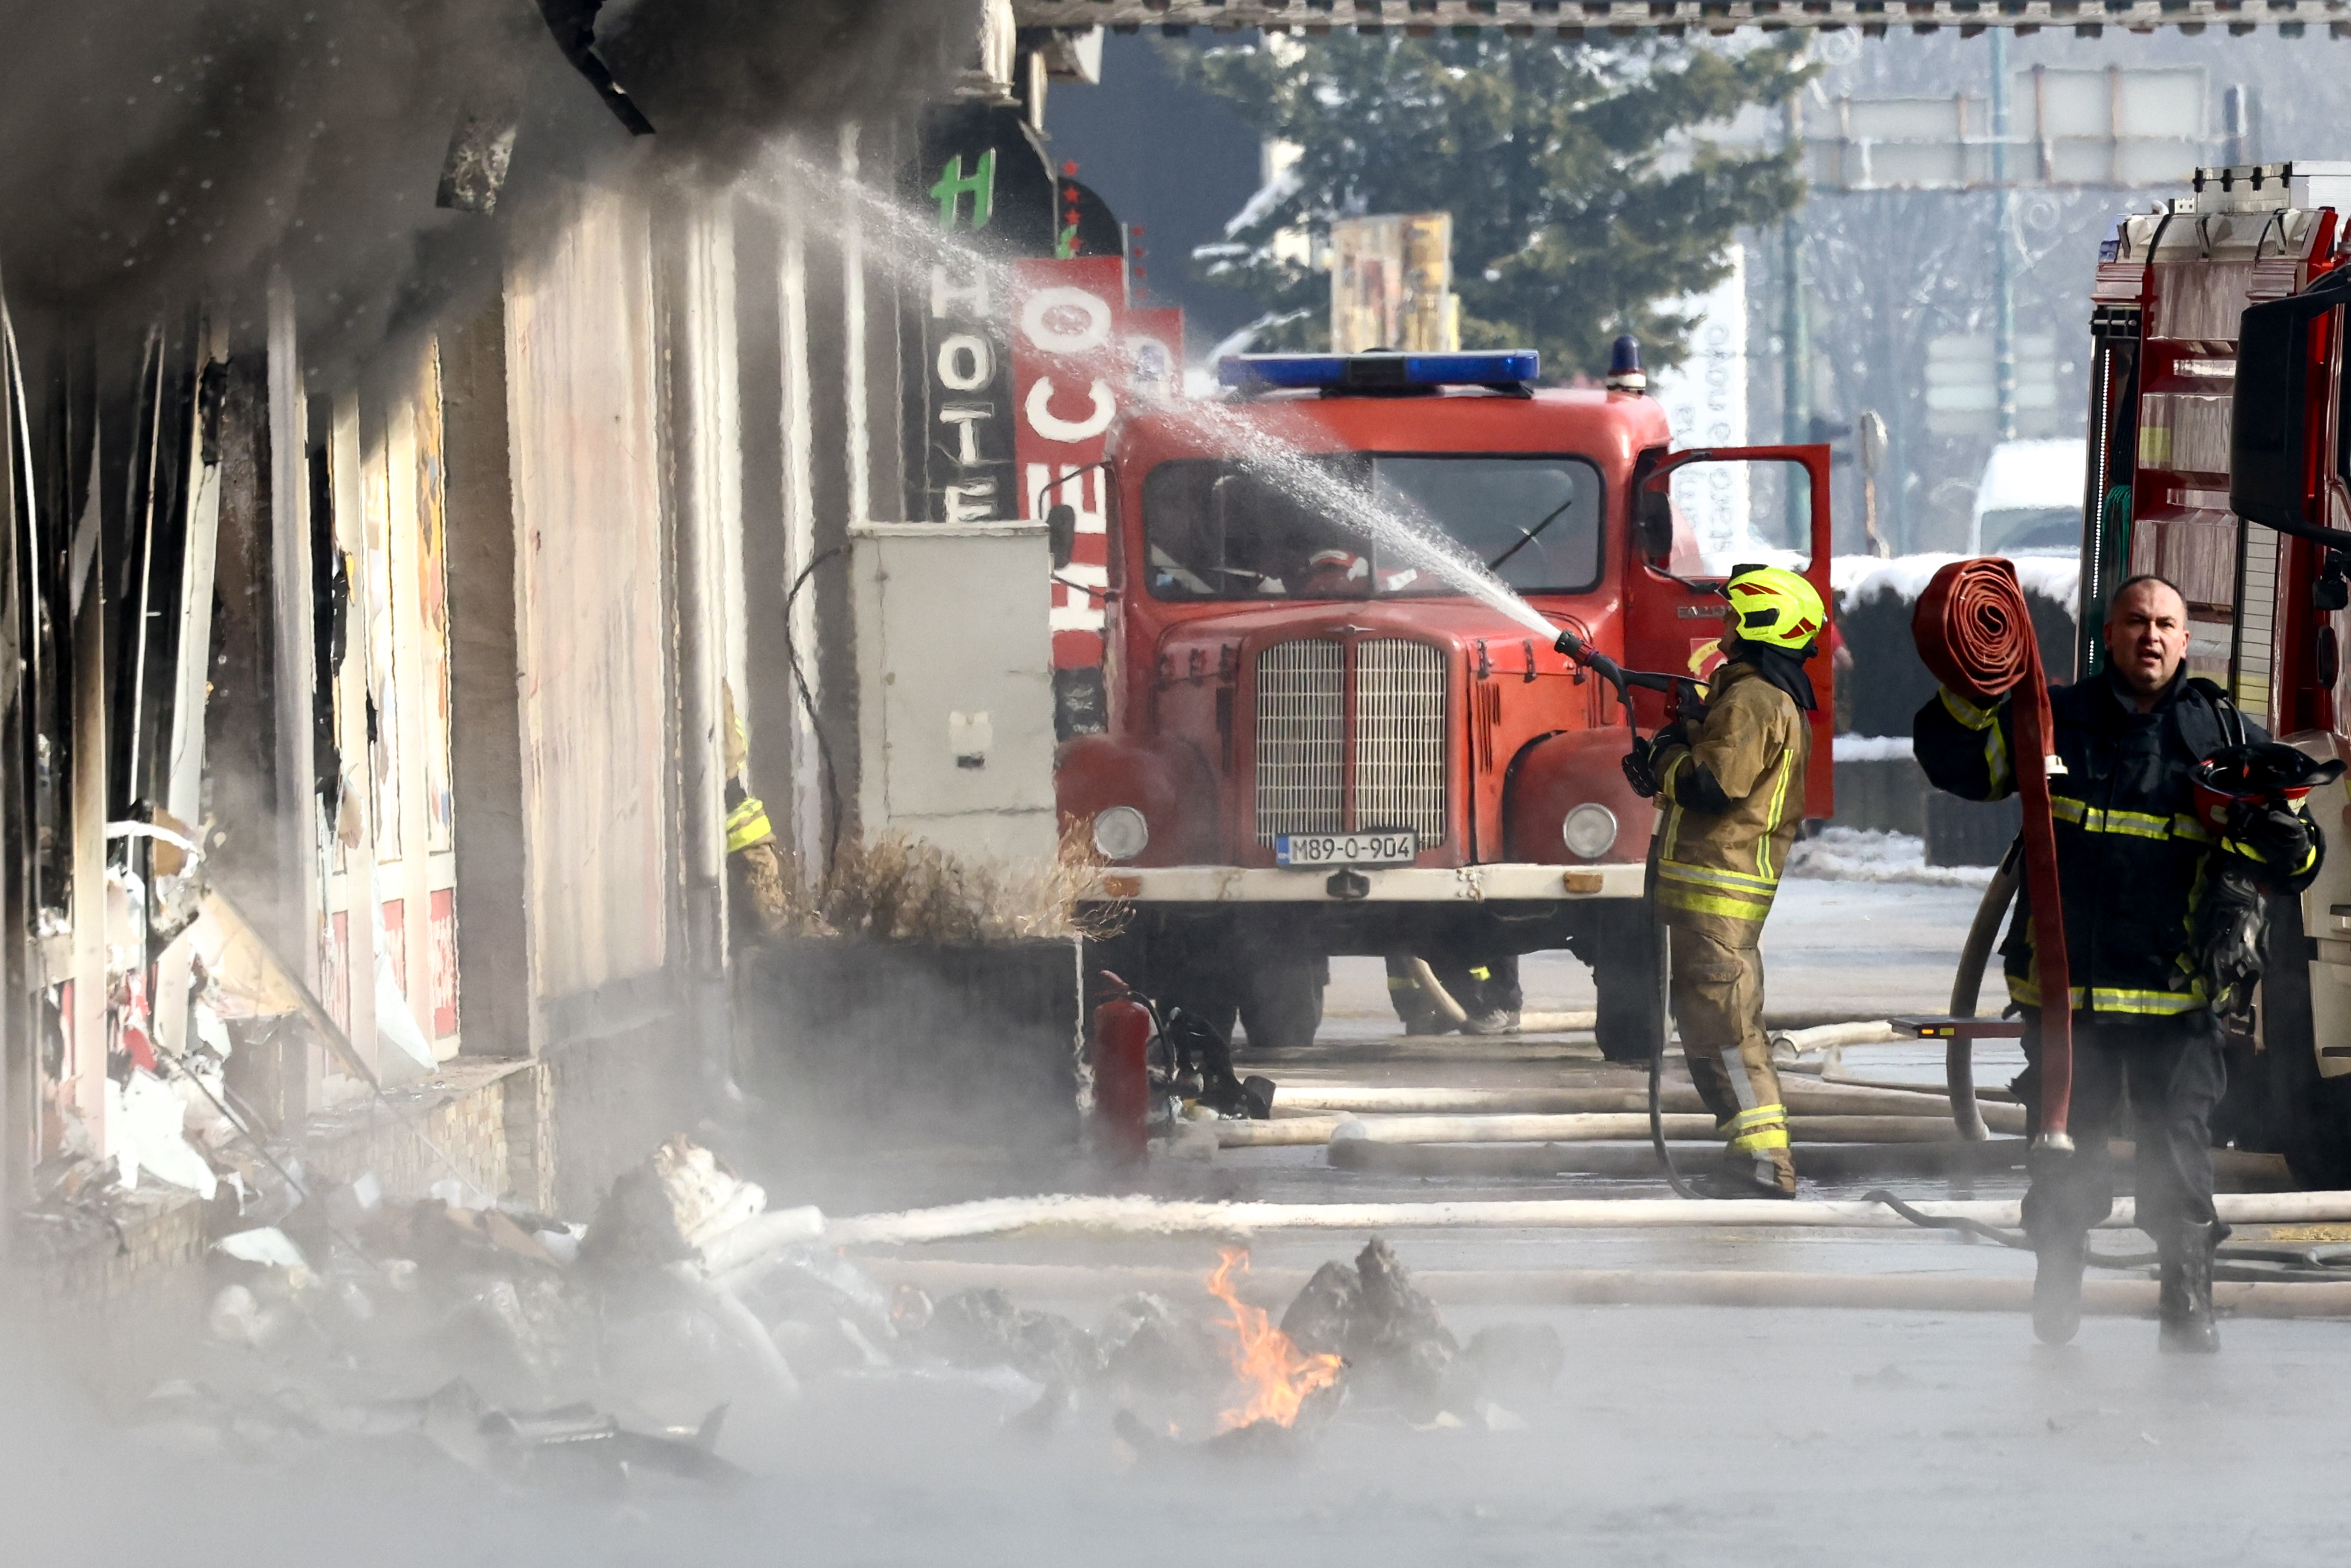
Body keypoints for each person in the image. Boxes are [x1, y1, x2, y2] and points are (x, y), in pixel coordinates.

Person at [1914, 574, 2323, 1352]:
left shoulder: (2225, 735)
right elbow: (1962, 770)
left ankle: (2187, 1301)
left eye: (2165, 623)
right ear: (2108, 633)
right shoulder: (2051, 718)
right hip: (2069, 1001)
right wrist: (1964, 691)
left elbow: (2294, 859)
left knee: (2179, 1154)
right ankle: (2057, 1277)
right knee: (2066, 1155)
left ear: (2183, 638)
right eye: (2135, 620)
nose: (2150, 636)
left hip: (2174, 998)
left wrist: (2285, 842)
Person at [1623, 564, 1827, 1198]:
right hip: (1712, 903)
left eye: (1737, 617)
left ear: (1760, 623)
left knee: (1731, 1041)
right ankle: (1751, 1162)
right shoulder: (1757, 699)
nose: (1728, 628)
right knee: (1716, 1039)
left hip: (1717, 902)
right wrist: (1691, 728)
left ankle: (1766, 1168)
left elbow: (1713, 786)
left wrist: (1663, 758)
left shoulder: (1754, 700)